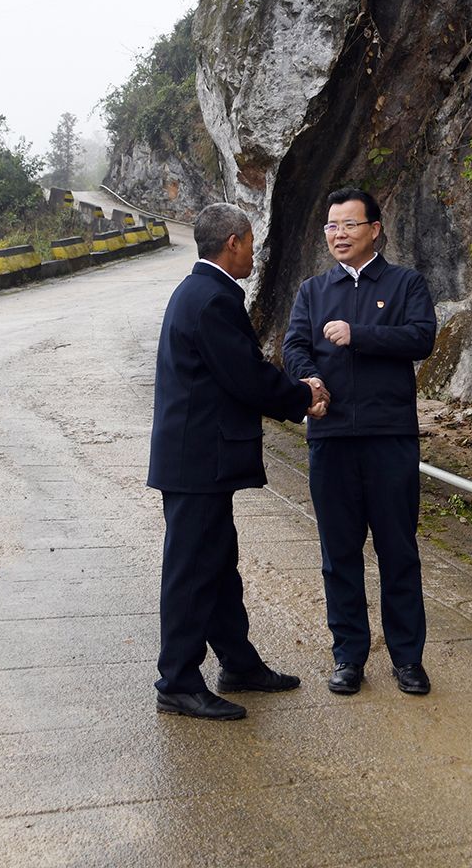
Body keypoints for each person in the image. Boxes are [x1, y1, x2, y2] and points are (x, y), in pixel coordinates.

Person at [148, 202, 329, 721]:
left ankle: (239, 663)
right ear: (233, 242)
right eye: (250, 241)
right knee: (190, 573)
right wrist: (303, 395)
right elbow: (247, 377)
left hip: (201, 460)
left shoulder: (201, 293)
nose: (254, 251)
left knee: (218, 566)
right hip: (196, 461)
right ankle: (178, 681)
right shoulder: (211, 300)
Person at [282, 187, 437, 697]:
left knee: (398, 550)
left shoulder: (404, 283)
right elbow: (295, 347)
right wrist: (311, 381)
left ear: (375, 229)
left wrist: (360, 333)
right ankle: (348, 656)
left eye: (349, 225)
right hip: (330, 437)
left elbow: (421, 338)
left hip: (389, 436)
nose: (338, 235)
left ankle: (408, 660)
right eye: (331, 226)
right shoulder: (312, 290)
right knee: (339, 553)